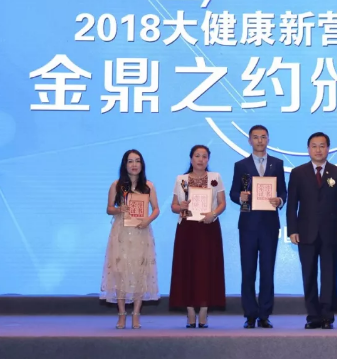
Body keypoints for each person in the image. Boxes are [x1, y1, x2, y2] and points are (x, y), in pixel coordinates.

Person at [287, 132, 337, 329]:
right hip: (305, 232)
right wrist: (292, 229)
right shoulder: (298, 173)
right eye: (314, 146)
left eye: (322, 146)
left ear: (328, 149)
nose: (318, 150)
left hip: (331, 232)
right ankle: (313, 315)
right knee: (309, 274)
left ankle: (327, 316)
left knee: (329, 275)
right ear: (308, 149)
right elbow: (292, 205)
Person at [230, 125, 287, 329]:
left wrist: (279, 200)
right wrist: (240, 197)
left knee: (267, 270)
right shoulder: (241, 165)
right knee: (248, 271)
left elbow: (283, 191)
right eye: (256, 137)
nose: (260, 141)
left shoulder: (277, 164)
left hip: (270, 225)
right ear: (249, 140)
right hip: (248, 224)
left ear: (268, 140)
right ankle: (250, 314)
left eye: (263, 137)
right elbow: (233, 192)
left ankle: (264, 314)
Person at [101, 149, 160, 330]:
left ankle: (136, 314)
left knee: (140, 271)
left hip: (141, 232)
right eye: (130, 161)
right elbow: (109, 209)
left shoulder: (148, 186)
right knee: (120, 271)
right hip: (121, 232)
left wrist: (148, 220)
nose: (134, 165)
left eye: (137, 161)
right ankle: (121, 314)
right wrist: (119, 209)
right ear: (124, 165)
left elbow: (156, 209)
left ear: (142, 164)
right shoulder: (116, 185)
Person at [169, 145, 227, 328]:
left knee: (207, 268)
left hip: (209, 227)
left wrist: (213, 214)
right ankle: (189, 312)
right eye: (197, 156)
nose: (201, 159)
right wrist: (181, 207)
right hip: (187, 229)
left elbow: (222, 203)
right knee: (186, 268)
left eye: (204, 156)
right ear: (191, 158)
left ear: (208, 159)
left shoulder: (215, 177)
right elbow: (174, 206)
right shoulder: (181, 180)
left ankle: (203, 310)